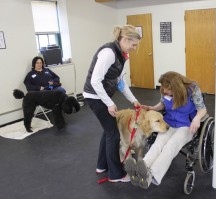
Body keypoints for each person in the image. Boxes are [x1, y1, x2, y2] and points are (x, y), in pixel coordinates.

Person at [125, 71, 207, 189]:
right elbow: (163, 104)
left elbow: (202, 109)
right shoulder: (165, 91)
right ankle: (142, 168)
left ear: (176, 88)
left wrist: (197, 118)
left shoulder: (192, 89)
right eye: (163, 89)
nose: (164, 91)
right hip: (168, 123)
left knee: (170, 146)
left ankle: (151, 174)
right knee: (158, 143)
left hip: (186, 125)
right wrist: (153, 108)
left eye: (167, 90)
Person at [83, 25, 142, 182]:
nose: (134, 48)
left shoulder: (121, 54)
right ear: (124, 39)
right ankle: (116, 175)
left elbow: (120, 82)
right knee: (113, 134)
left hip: (101, 96)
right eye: (133, 44)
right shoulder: (108, 53)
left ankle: (102, 165)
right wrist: (109, 103)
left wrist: (134, 100)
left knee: (108, 130)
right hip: (94, 96)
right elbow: (95, 81)